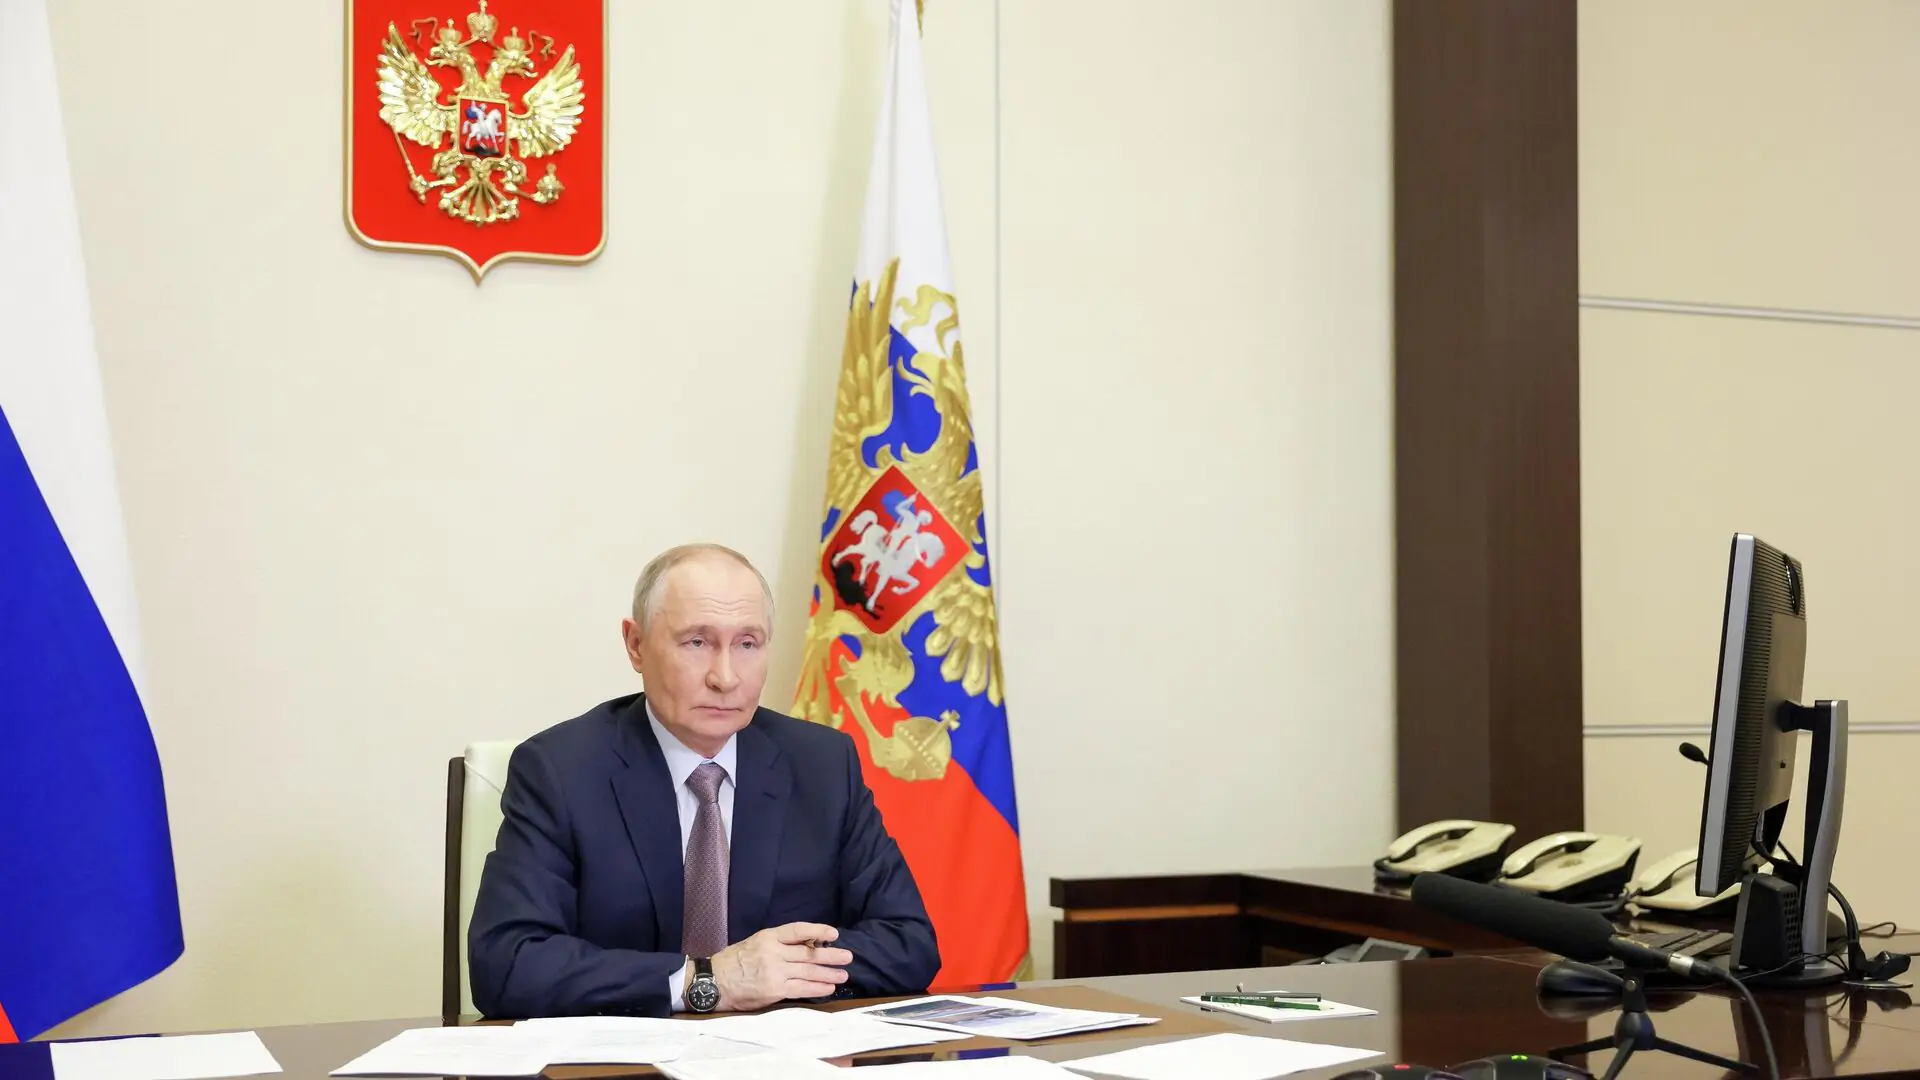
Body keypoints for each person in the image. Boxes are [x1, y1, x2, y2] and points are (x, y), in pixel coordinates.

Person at [467, 543, 940, 1018]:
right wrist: (709, 980)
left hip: (780, 1050)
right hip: (626, 1053)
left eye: (747, 644)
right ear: (636, 644)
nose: (726, 677)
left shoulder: (823, 764)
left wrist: (777, 972)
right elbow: (507, 964)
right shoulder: (559, 770)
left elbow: (909, 944)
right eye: (697, 642)